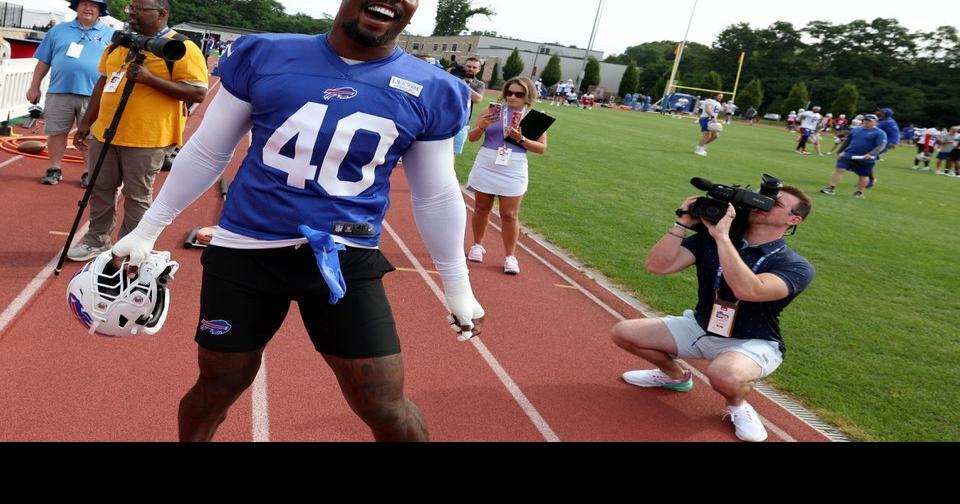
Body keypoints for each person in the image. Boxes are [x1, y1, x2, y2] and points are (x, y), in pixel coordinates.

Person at [108, 0, 485, 442]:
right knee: (217, 388)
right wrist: (149, 228)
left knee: (384, 405)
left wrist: (457, 284)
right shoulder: (264, 53)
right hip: (246, 250)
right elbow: (210, 149)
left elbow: (436, 192)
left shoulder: (434, 87)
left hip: (346, 258)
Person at [611, 185, 814, 442]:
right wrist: (682, 223)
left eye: (775, 204)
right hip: (701, 326)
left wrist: (723, 238)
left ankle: (738, 406)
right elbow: (657, 266)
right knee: (624, 332)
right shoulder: (710, 239)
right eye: (762, 200)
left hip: (752, 341)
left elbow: (748, 289)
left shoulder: (795, 265)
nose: (762, 205)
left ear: (793, 220)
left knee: (723, 375)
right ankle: (675, 377)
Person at [66, 0, 208, 261]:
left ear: (161, 13)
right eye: (131, 7)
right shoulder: (119, 42)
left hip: (147, 138)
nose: (132, 12)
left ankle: (128, 247)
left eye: (140, 8)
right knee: (100, 188)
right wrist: (86, 123)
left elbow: (199, 91)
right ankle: (96, 240)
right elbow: (103, 82)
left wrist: (149, 79)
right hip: (105, 132)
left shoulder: (182, 48)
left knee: (137, 196)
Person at [465, 77, 548, 275]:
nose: (512, 97)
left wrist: (521, 139)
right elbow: (472, 138)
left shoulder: (534, 117)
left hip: (514, 166)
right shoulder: (493, 111)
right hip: (487, 162)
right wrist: (481, 126)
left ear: (528, 96)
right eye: (509, 92)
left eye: (518, 94)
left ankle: (510, 256)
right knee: (482, 207)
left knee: (509, 215)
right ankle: (477, 245)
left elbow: (542, 148)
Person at [27, 0, 114, 187]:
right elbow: (43, 61)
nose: (88, 8)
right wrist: (34, 86)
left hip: (94, 95)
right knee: (56, 132)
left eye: (93, 5)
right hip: (59, 91)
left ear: (100, 11)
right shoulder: (58, 31)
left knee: (91, 135)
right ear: (76, 7)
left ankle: (88, 172)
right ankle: (54, 169)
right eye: (84, 3)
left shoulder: (111, 34)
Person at [820, 114, 887, 199]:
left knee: (863, 175)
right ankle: (830, 188)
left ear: (875, 122)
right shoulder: (856, 130)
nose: (866, 122)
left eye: (869, 120)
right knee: (839, 169)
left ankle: (859, 193)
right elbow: (847, 142)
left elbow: (881, 145)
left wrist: (871, 154)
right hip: (849, 154)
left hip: (864, 158)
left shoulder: (880, 133)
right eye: (865, 120)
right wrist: (839, 152)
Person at [450, 56, 485, 156]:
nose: (471, 69)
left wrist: (463, 84)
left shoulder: (479, 84)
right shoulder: (452, 78)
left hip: (462, 123)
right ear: (463, 66)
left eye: (474, 67)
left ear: (479, 69)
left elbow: (478, 99)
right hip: (445, 120)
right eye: (469, 66)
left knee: (453, 154)